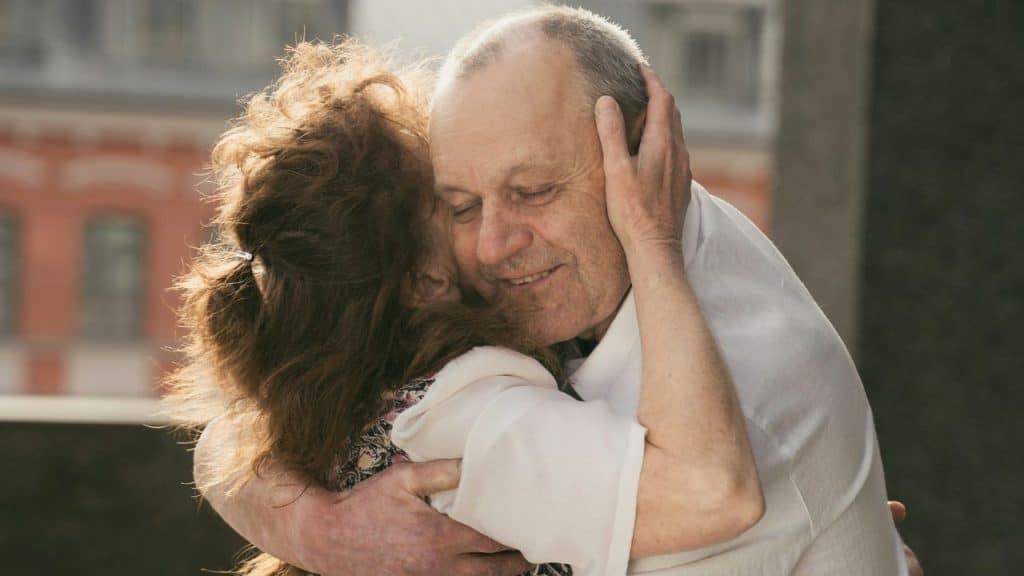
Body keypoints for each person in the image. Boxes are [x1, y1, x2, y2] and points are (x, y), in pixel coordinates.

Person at [195, 5, 921, 575]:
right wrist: (322, 530)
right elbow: (237, 424)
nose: (492, 243)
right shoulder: (596, 258)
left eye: (533, 191)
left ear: (644, 156)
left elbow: (717, 495)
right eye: (461, 205)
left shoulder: (742, 410)